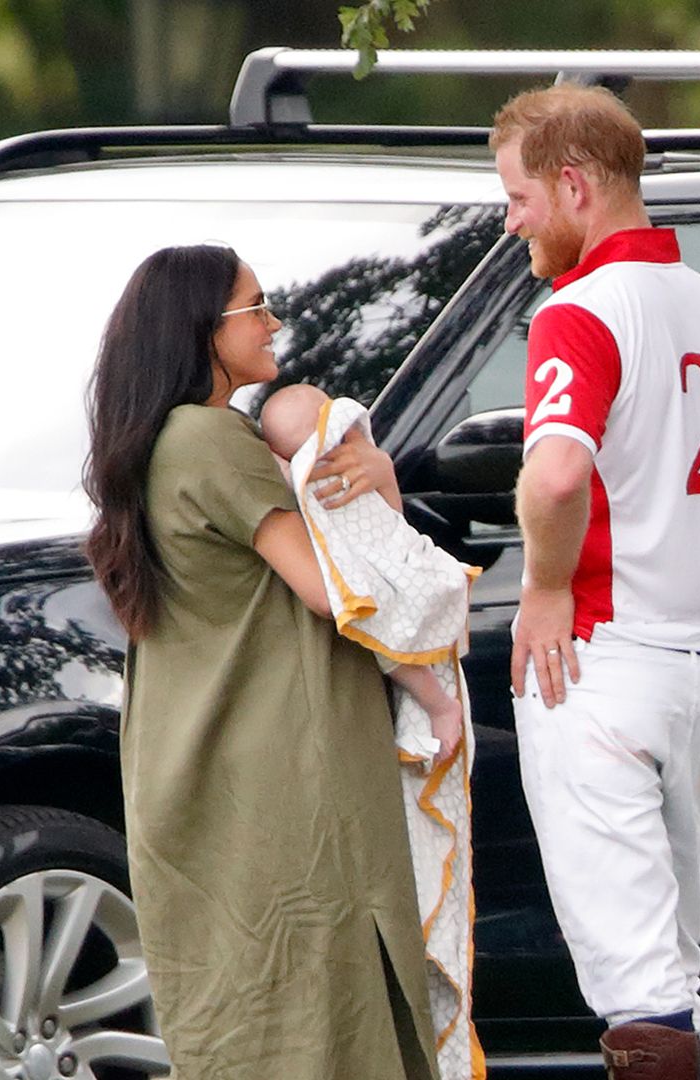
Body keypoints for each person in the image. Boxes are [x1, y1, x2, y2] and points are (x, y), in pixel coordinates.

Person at [490, 85, 700, 1079]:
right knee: (673, 973)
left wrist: (547, 587)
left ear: (576, 186)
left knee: (641, 996)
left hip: (597, 665)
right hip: (691, 672)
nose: (512, 223)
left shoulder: (581, 311)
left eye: (518, 198)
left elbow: (554, 475)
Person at [83, 243, 441, 1080]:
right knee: (324, 1020)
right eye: (256, 306)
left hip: (199, 772)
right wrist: (377, 485)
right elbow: (338, 590)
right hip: (284, 779)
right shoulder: (211, 439)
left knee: (245, 1018)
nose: (274, 321)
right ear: (204, 329)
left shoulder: (158, 445)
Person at [260, 382, 485, 1080]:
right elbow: (378, 609)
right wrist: (438, 701)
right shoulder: (316, 503)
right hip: (397, 716)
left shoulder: (346, 487)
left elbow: (393, 564)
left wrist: (383, 480)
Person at [261, 383, 465, 766]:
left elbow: (389, 526)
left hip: (391, 578)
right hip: (375, 591)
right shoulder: (304, 481)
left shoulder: (351, 464)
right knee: (386, 637)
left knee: (386, 634)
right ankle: (438, 706)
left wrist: (383, 474)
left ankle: (440, 706)